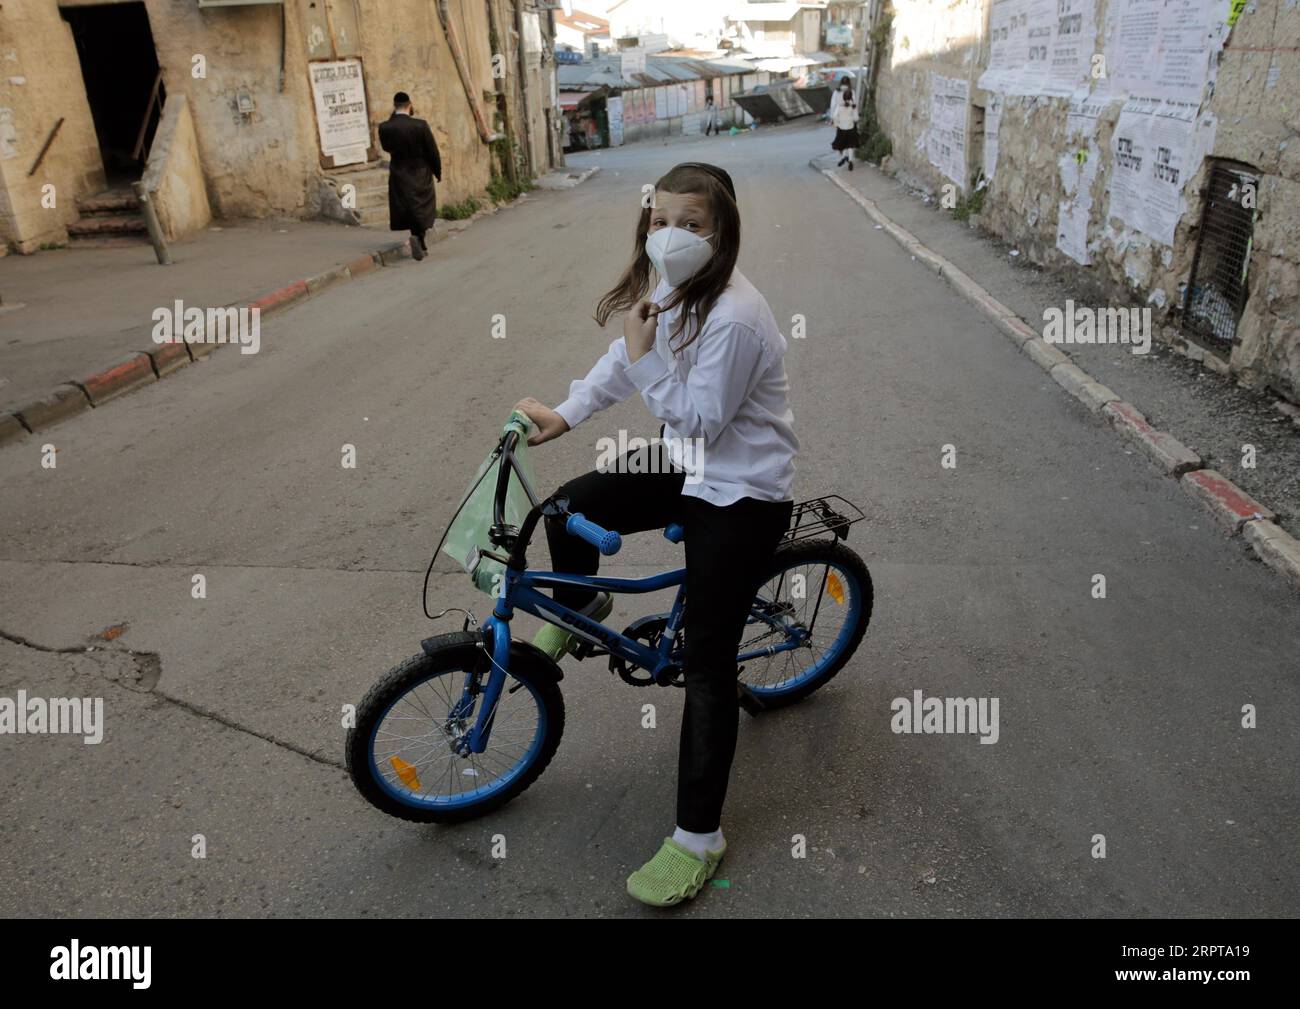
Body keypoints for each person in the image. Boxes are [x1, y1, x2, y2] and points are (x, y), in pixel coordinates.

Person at [512, 163, 798, 908]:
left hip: (741, 492)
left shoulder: (735, 313)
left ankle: (700, 839)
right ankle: (586, 608)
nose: (671, 234)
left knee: (707, 667)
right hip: (689, 467)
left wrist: (642, 355)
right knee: (567, 507)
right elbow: (621, 361)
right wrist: (566, 413)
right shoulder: (670, 289)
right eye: (660, 218)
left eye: (692, 223)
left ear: (722, 232)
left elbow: (697, 415)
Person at [377, 92, 441, 261]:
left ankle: (418, 239)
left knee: (408, 206)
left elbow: (386, 148)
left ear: (394, 105)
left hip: (399, 171)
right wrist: (437, 171)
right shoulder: (420, 125)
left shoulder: (385, 127)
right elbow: (432, 151)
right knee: (422, 207)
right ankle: (419, 238)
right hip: (420, 171)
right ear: (409, 104)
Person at [831, 89, 861, 171]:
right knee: (850, 145)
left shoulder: (839, 106)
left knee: (843, 144)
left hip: (841, 128)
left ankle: (844, 157)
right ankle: (850, 160)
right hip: (850, 127)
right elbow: (856, 118)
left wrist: (837, 123)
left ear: (843, 97)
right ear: (851, 97)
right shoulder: (853, 106)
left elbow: (834, 116)